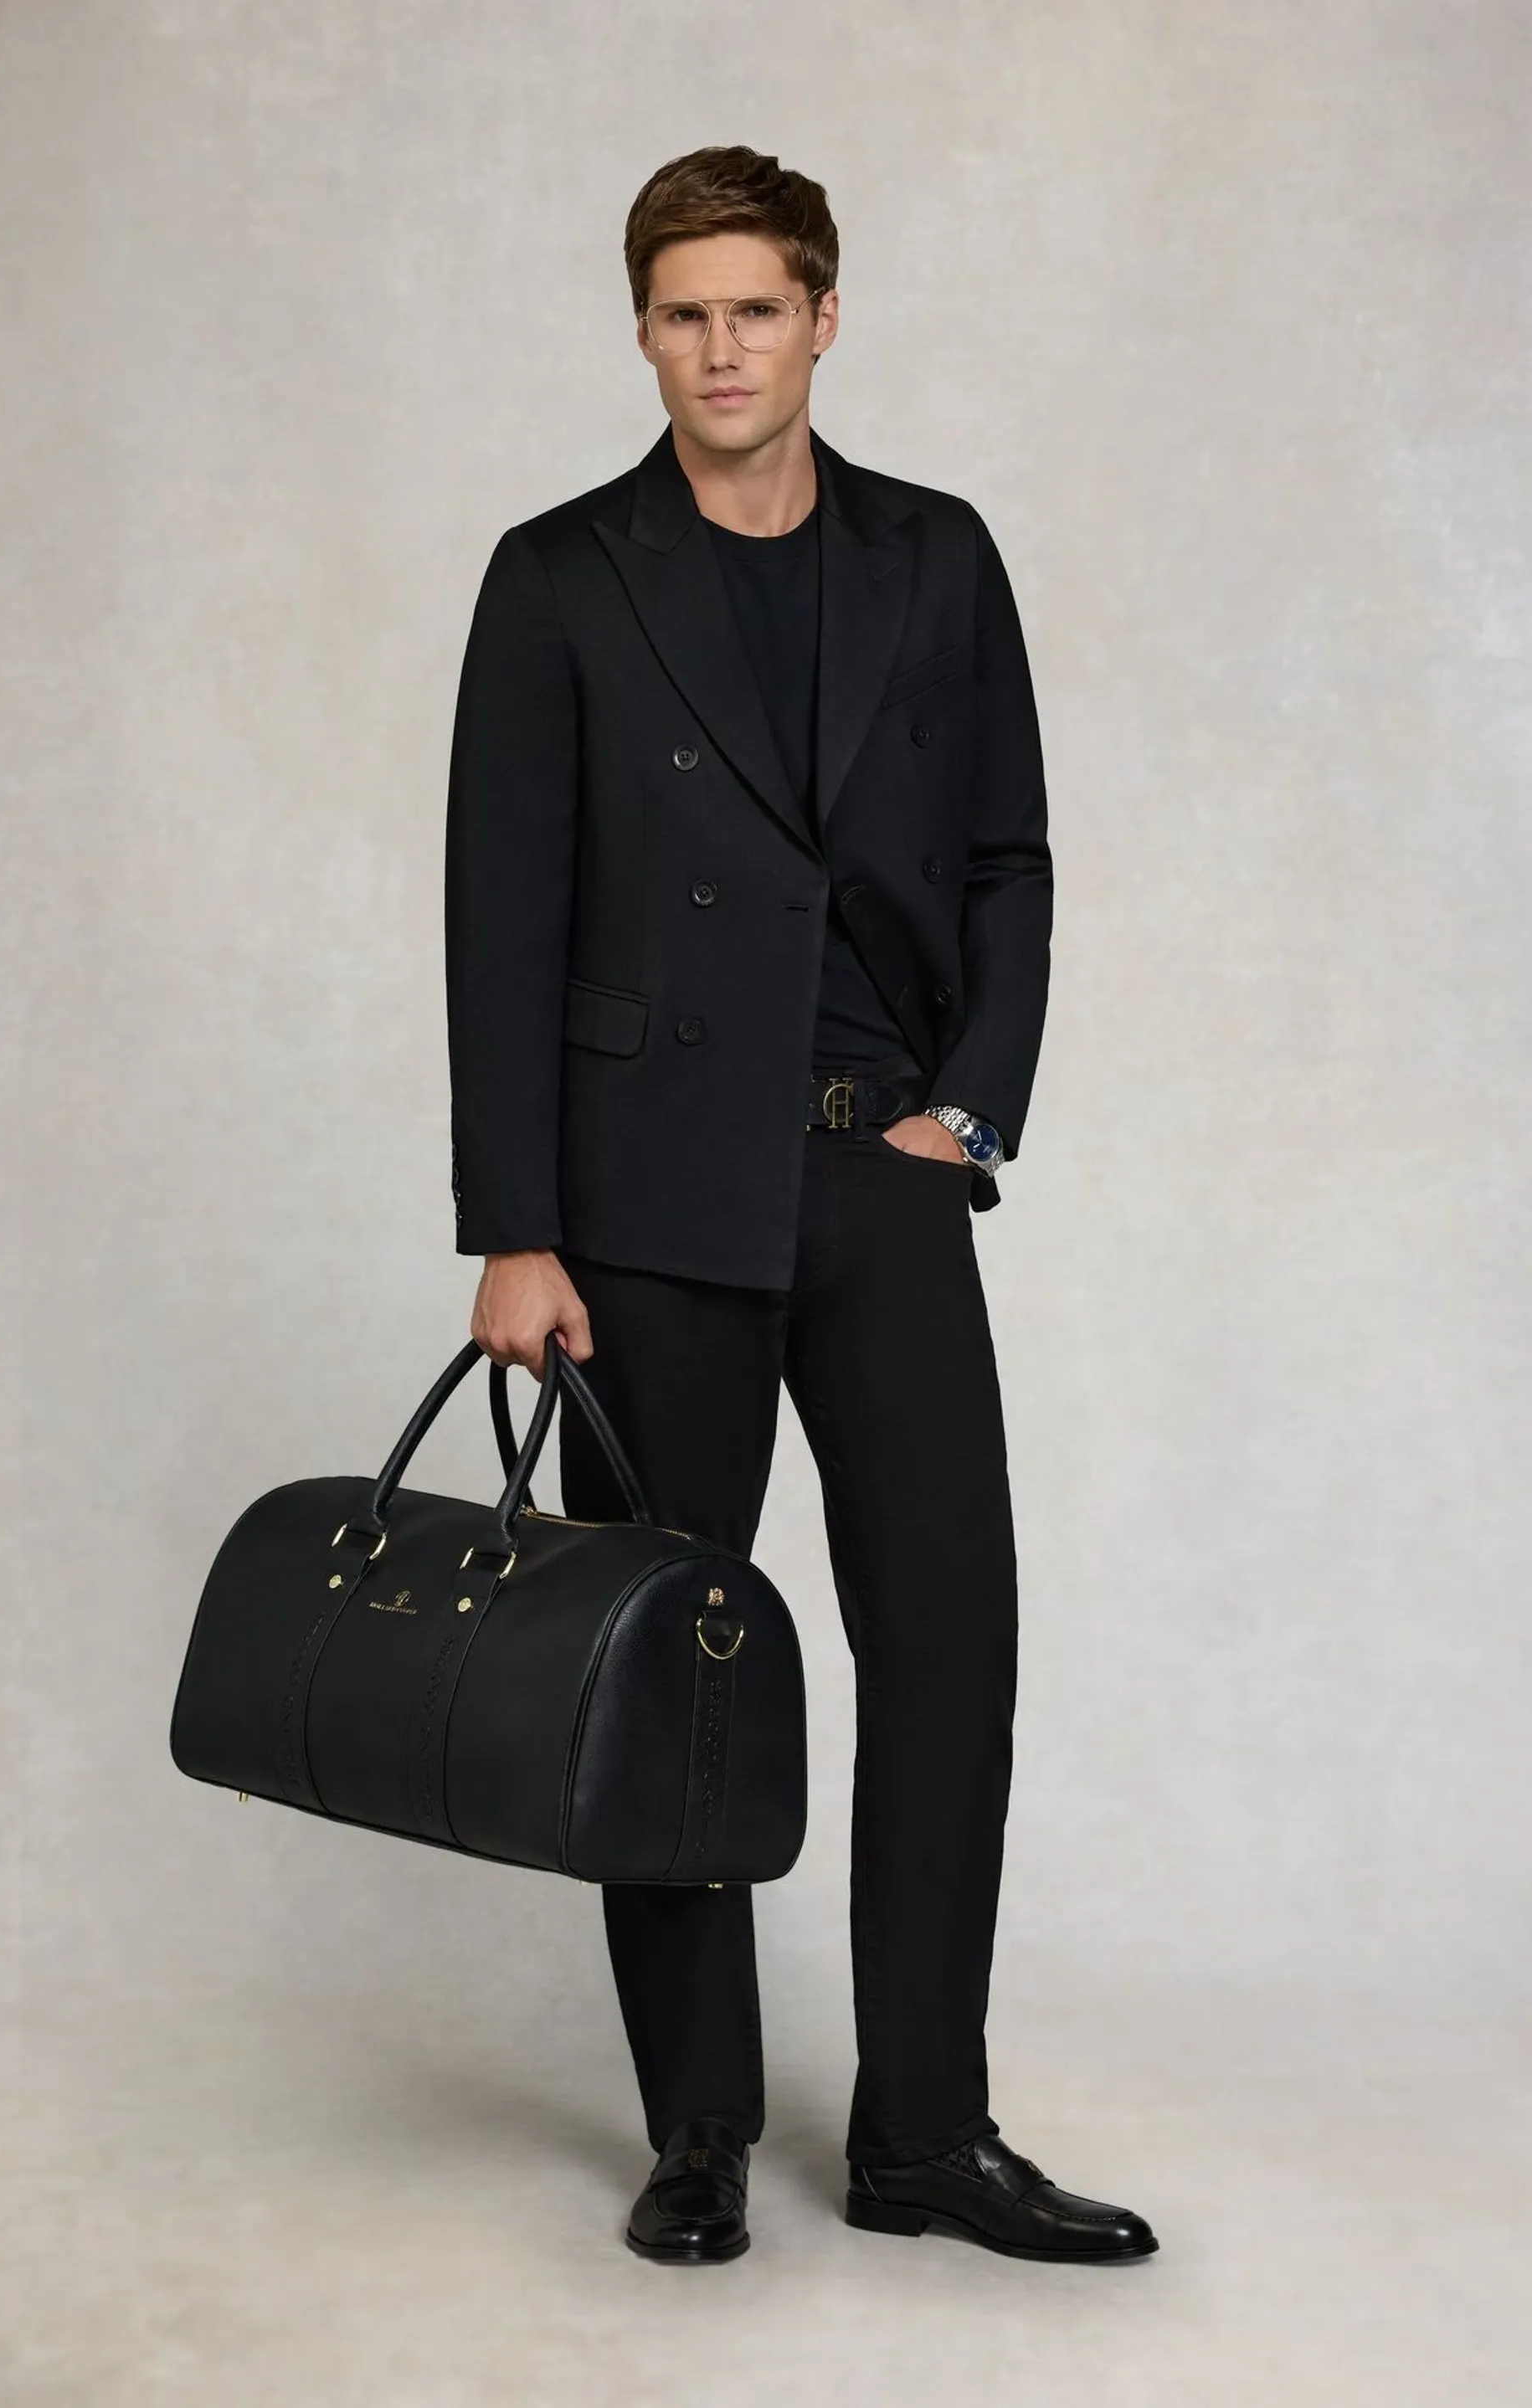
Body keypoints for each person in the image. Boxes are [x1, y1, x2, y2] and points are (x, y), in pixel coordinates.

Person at [443, 142, 1158, 2268]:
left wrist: (971, 1113)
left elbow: (1011, 857)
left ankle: (926, 2129)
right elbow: (500, 915)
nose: (722, 348)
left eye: (757, 307)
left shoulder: (938, 555)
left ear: (825, 319)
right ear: (642, 332)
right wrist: (513, 1228)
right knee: (669, 1662)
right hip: (643, 1204)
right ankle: (698, 2129)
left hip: (878, 1173)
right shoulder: (560, 575)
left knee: (950, 1643)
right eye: (684, 313)